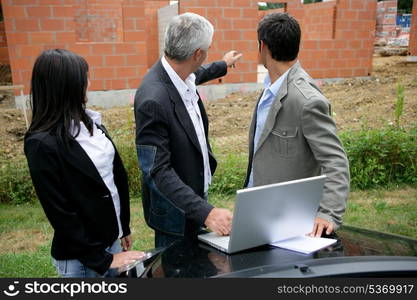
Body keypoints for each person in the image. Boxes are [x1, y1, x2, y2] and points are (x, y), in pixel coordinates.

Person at [24, 49, 145, 277]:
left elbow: (112, 179)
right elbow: (61, 213)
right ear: (66, 85)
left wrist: (123, 227)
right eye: (84, 77)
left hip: (112, 243)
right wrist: (102, 259)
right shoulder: (42, 143)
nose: (89, 83)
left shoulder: (91, 124)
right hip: (82, 260)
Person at [134, 13, 242, 247]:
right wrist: (207, 213)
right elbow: (157, 171)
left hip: (193, 196)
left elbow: (198, 73)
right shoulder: (153, 100)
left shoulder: (180, 74)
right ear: (196, 54)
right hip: (173, 213)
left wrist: (223, 64)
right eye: (207, 50)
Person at [244, 13, 350, 237]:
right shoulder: (272, 88)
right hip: (260, 210)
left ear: (262, 46)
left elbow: (335, 161)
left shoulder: (306, 100)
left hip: (288, 220)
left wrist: (328, 213)